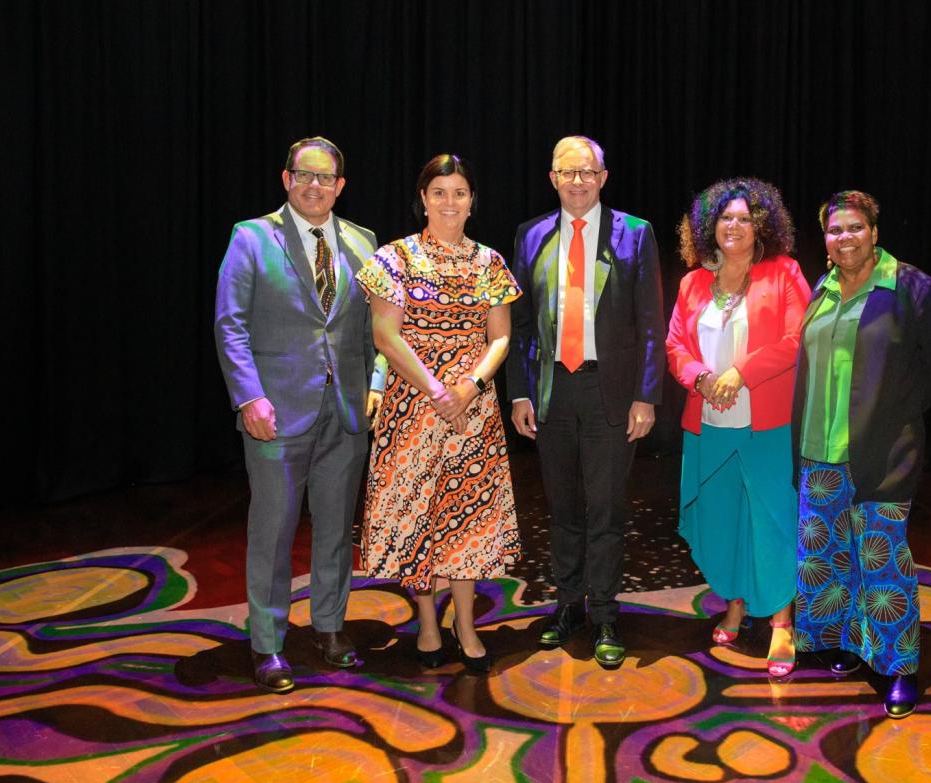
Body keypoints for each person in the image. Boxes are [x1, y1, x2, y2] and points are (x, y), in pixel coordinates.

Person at [214, 136, 383, 693]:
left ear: (340, 185)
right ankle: (267, 643)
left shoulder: (363, 242)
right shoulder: (252, 237)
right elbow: (230, 325)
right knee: (273, 531)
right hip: (276, 413)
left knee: (336, 531)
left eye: (326, 178)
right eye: (304, 176)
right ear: (286, 180)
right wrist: (248, 397)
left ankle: (330, 628)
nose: (315, 186)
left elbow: (375, 332)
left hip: (345, 412)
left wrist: (376, 384)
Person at [791, 190, 931, 718]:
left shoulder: (910, 286)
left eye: (855, 228)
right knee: (829, 554)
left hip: (883, 451)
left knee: (883, 563)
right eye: (835, 231)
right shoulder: (821, 287)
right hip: (819, 451)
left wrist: (901, 411)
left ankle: (897, 668)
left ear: (874, 233)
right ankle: (846, 644)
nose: (845, 238)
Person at [356, 154, 521, 673]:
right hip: (412, 409)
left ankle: (465, 624)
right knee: (417, 520)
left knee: (467, 519)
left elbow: (501, 337)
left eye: (460, 192)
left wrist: (468, 387)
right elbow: (385, 334)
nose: (450, 202)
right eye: (439, 192)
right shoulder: (394, 259)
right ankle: (428, 623)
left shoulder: (489, 262)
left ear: (472, 201)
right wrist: (435, 389)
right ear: (423, 199)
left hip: (472, 411)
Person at [506, 135, 666, 669]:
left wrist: (646, 396)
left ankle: (604, 613)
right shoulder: (530, 235)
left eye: (587, 172)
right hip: (553, 391)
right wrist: (522, 390)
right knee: (562, 508)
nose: (578, 181)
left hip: (611, 392)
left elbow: (650, 325)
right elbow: (521, 324)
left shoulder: (635, 234)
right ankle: (567, 605)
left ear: (603, 177)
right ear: (552, 178)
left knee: (606, 509)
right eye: (567, 172)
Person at [666, 178, 812, 677]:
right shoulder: (692, 283)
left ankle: (782, 622)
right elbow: (674, 348)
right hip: (707, 423)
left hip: (763, 422)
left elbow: (798, 339)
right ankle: (733, 604)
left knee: (769, 519)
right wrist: (703, 377)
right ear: (710, 226)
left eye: (745, 218)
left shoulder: (784, 273)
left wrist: (738, 373)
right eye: (726, 218)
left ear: (761, 225)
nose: (734, 226)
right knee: (723, 517)